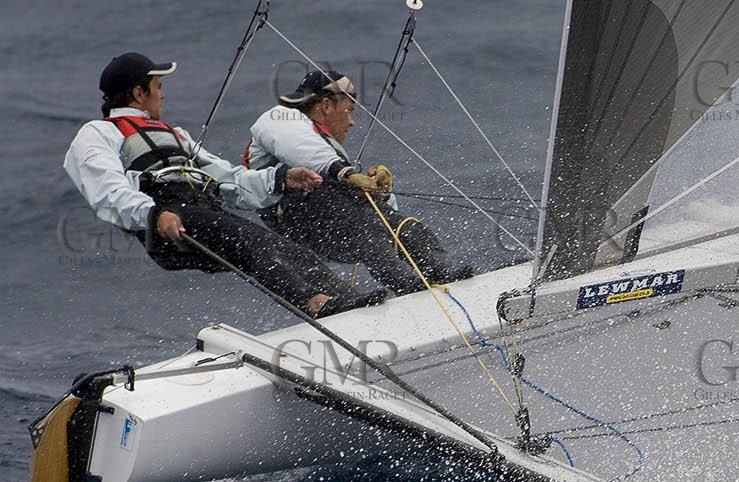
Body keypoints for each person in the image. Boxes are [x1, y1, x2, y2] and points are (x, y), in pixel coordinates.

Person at [64, 52, 385, 317]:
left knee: (290, 252)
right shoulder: (100, 133)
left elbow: (229, 181)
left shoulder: (175, 135)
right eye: (158, 85)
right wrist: (153, 215)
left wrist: (281, 178)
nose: (163, 93)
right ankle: (317, 304)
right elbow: (106, 191)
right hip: (168, 219)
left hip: (201, 211)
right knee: (257, 247)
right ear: (138, 93)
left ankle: (348, 305)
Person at [247, 68, 474, 294]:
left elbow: (376, 212)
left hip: (342, 228)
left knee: (405, 227)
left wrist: (379, 191)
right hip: (303, 222)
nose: (352, 121)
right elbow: (298, 146)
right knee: (365, 226)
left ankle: (444, 274)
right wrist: (346, 173)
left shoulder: (327, 148)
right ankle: (408, 288)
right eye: (349, 110)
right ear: (326, 105)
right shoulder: (279, 117)